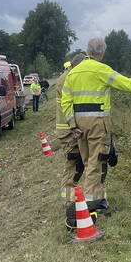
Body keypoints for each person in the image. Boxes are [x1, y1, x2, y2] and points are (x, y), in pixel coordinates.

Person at [60, 37, 131, 214]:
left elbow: (65, 101)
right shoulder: (101, 70)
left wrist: (72, 125)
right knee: (95, 166)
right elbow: (127, 83)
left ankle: (93, 203)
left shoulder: (73, 72)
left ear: (88, 51)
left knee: (88, 163)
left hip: (79, 127)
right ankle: (90, 209)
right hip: (97, 125)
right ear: (102, 52)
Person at [55, 52, 87, 226]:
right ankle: (69, 204)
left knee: (76, 166)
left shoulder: (67, 76)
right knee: (73, 167)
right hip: (69, 131)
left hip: (69, 129)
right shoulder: (68, 79)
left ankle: (75, 200)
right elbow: (72, 105)